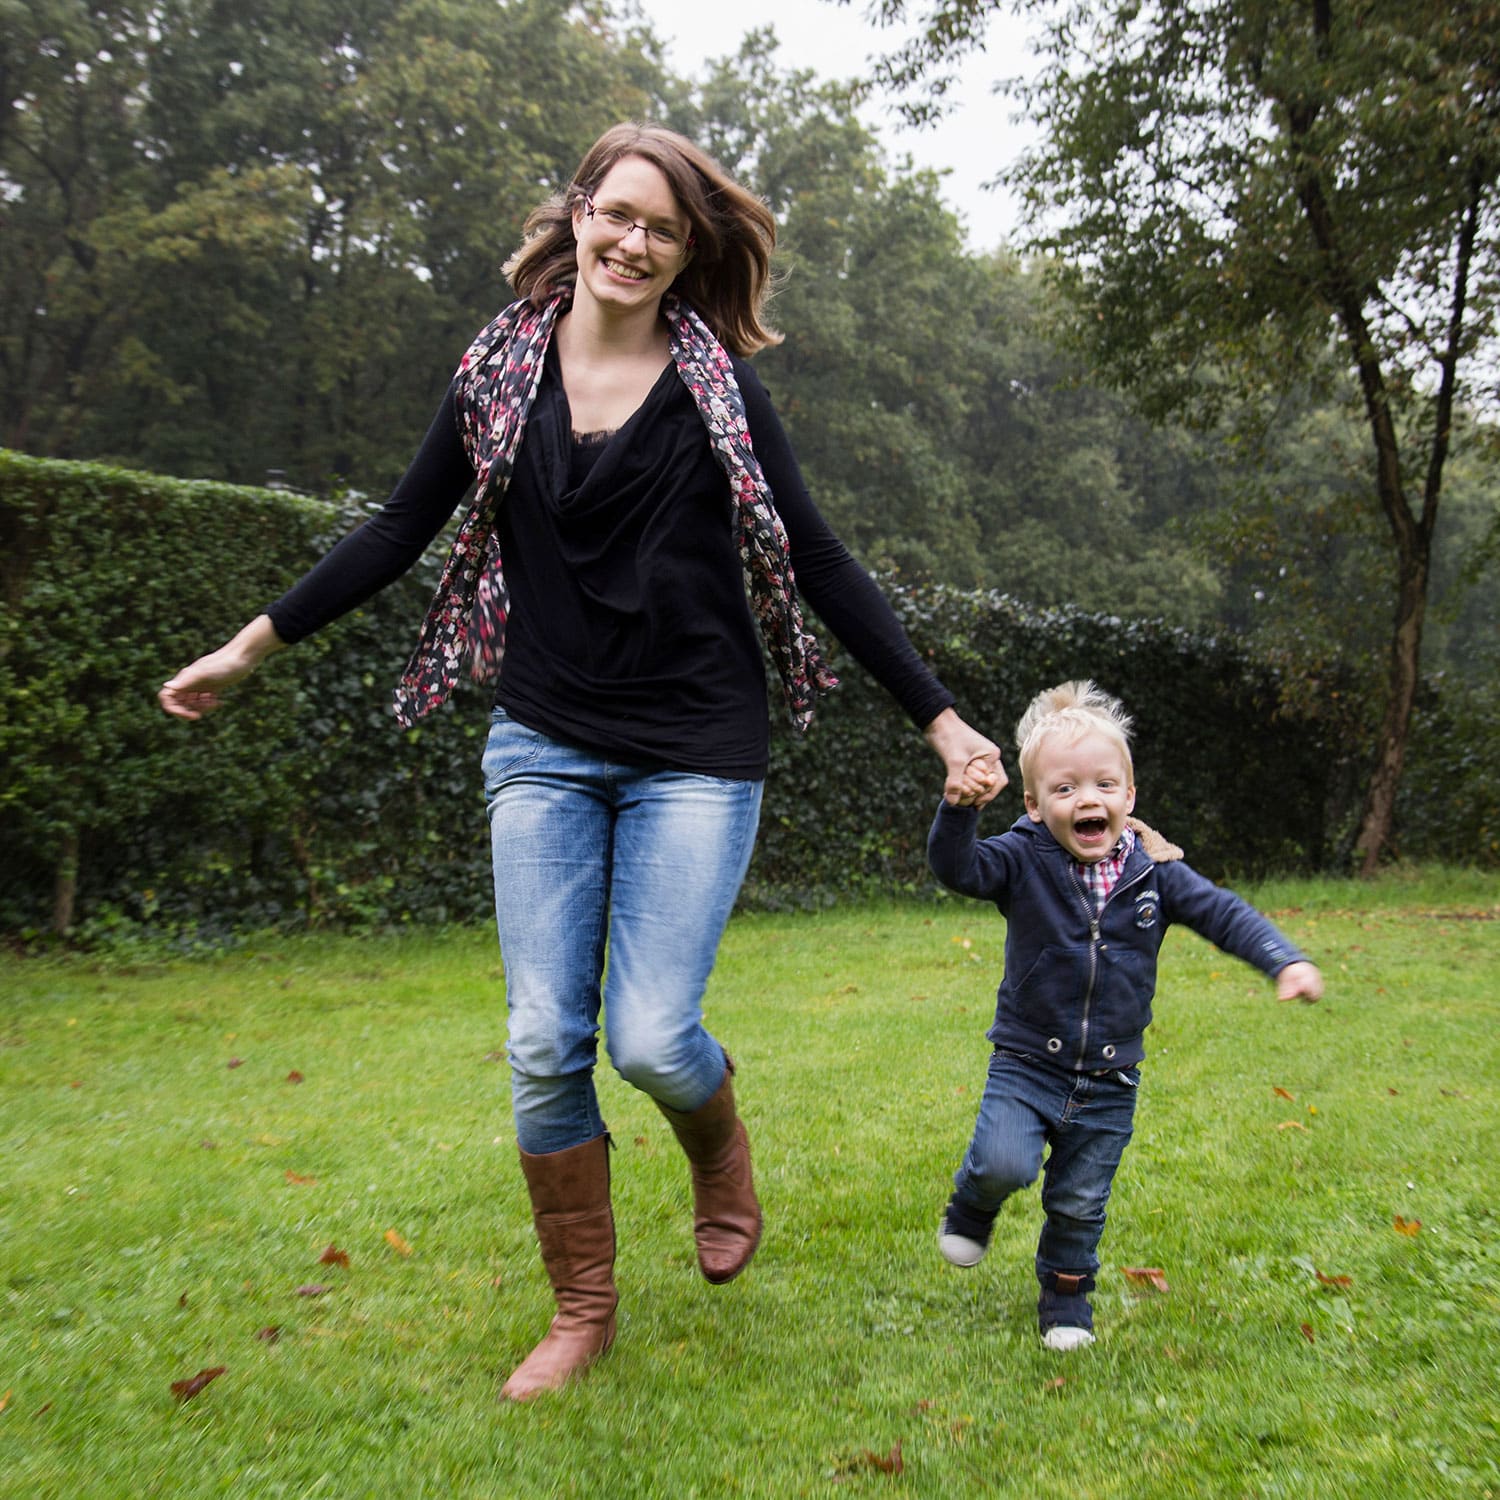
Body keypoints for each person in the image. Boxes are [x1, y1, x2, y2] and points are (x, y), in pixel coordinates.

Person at [159, 122, 1002, 1401]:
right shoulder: (497, 370)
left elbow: (818, 559)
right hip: (545, 738)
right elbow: (399, 527)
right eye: (618, 214)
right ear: (579, 213)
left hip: (696, 748)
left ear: (688, 252)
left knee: (653, 1038)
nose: (633, 243)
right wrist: (247, 647)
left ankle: (716, 1142)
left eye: (663, 229)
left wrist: (940, 718)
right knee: (546, 1037)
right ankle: (583, 1309)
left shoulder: (720, 391)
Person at [926, 679, 1322, 1352]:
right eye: (1065, 789)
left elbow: (1223, 914)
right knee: (1003, 1161)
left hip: (1111, 1077)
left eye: (1104, 785)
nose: (1088, 799)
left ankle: (1066, 1298)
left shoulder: (1155, 873)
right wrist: (959, 812)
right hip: (1027, 1059)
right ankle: (974, 1202)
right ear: (1033, 805)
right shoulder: (1021, 859)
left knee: (1080, 1201)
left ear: (1129, 797)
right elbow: (957, 868)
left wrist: (1282, 960)